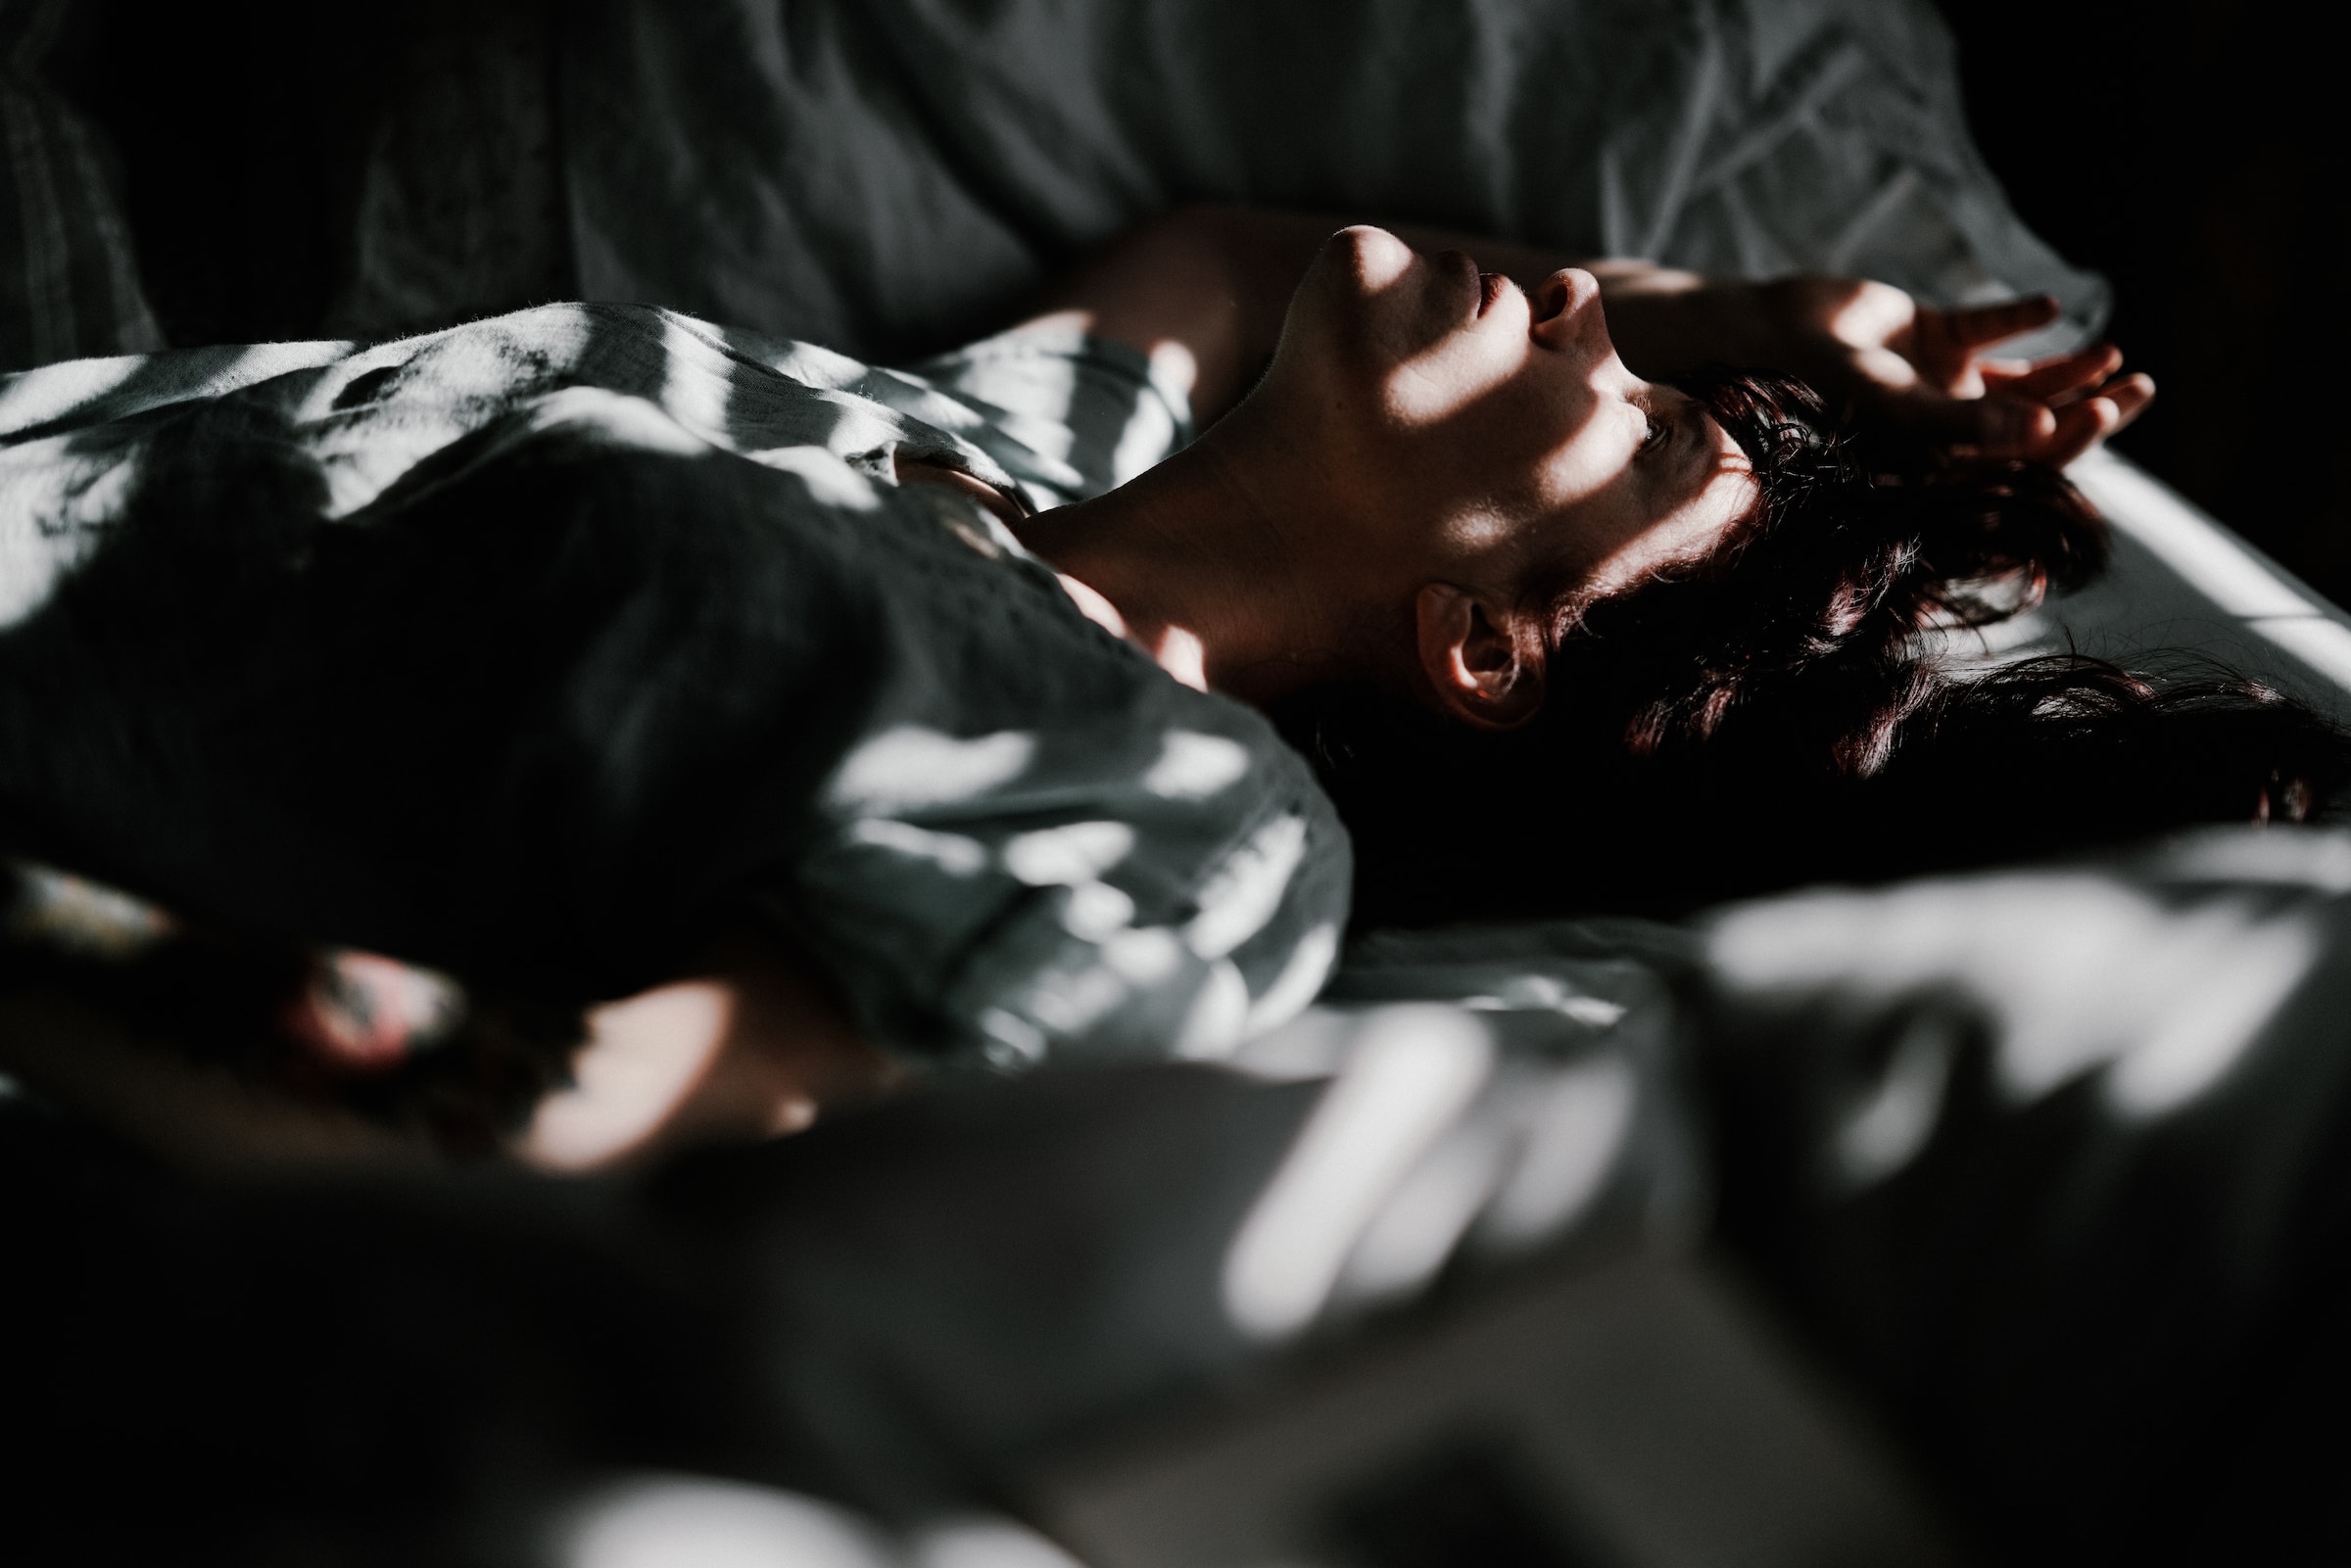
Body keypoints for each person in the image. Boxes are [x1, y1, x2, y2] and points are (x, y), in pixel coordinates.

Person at [0, 205, 2323, 1170]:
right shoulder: (1027, 440)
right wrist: (1747, 333)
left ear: (1490, 639)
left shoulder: (1187, 824)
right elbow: (1245, 256)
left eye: (1635, 422)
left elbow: (594, 1104)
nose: (1586, 318)